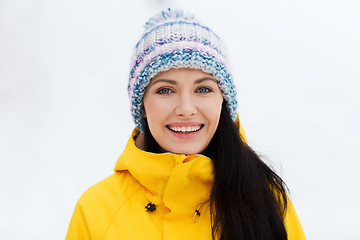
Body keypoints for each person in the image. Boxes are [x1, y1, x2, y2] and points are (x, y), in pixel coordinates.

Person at [66, 8, 306, 240]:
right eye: (165, 90)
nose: (186, 109)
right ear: (143, 105)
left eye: (203, 89)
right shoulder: (97, 210)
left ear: (223, 100)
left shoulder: (266, 198)